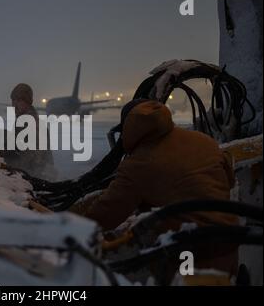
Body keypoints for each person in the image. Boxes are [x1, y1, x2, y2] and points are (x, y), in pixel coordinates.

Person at [79, 99, 238, 281]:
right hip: (230, 241)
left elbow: (107, 212)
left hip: (189, 254)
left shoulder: (138, 164)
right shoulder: (203, 141)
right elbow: (229, 180)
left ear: (128, 129)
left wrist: (72, 229)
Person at [0, 83, 55, 179]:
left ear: (28, 102)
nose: (14, 104)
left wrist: (0, 152)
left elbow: (27, 160)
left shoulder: (31, 123)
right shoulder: (25, 120)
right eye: (13, 100)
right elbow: (13, 140)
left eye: (19, 100)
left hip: (35, 179)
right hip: (30, 174)